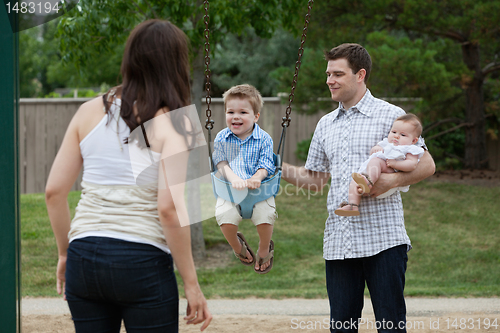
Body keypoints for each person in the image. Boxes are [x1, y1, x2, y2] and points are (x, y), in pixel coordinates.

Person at [45, 19, 212, 332]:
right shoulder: (178, 123)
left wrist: (65, 254)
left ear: (130, 59)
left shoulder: (88, 111)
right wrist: (192, 284)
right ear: (176, 65)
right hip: (141, 261)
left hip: (84, 256)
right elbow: (169, 209)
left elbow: (53, 192)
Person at [281, 43, 435, 332]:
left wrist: (393, 180)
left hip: (384, 240)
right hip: (339, 243)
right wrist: (278, 169)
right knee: (341, 328)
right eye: (328, 74)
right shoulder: (325, 124)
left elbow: (427, 164)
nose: (330, 80)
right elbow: (315, 180)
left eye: (338, 74)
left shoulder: (391, 115)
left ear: (360, 74)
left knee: (390, 327)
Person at [212, 84, 277, 274]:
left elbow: (267, 163)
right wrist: (233, 178)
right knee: (225, 217)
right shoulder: (222, 137)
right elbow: (221, 162)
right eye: (230, 112)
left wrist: (257, 177)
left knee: (266, 216)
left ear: (256, 116)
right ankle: (237, 247)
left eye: (243, 112)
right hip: (229, 190)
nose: (236, 116)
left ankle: (264, 248)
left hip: (258, 190)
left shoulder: (264, 138)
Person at [335, 113, 425, 216]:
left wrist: (395, 163)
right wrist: (376, 149)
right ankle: (353, 205)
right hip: (375, 172)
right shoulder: (386, 143)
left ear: (414, 140)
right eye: (394, 132)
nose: (396, 136)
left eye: (402, 134)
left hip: (391, 173)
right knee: (354, 182)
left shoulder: (411, 149)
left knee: (376, 161)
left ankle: (368, 182)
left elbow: (411, 165)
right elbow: (374, 151)